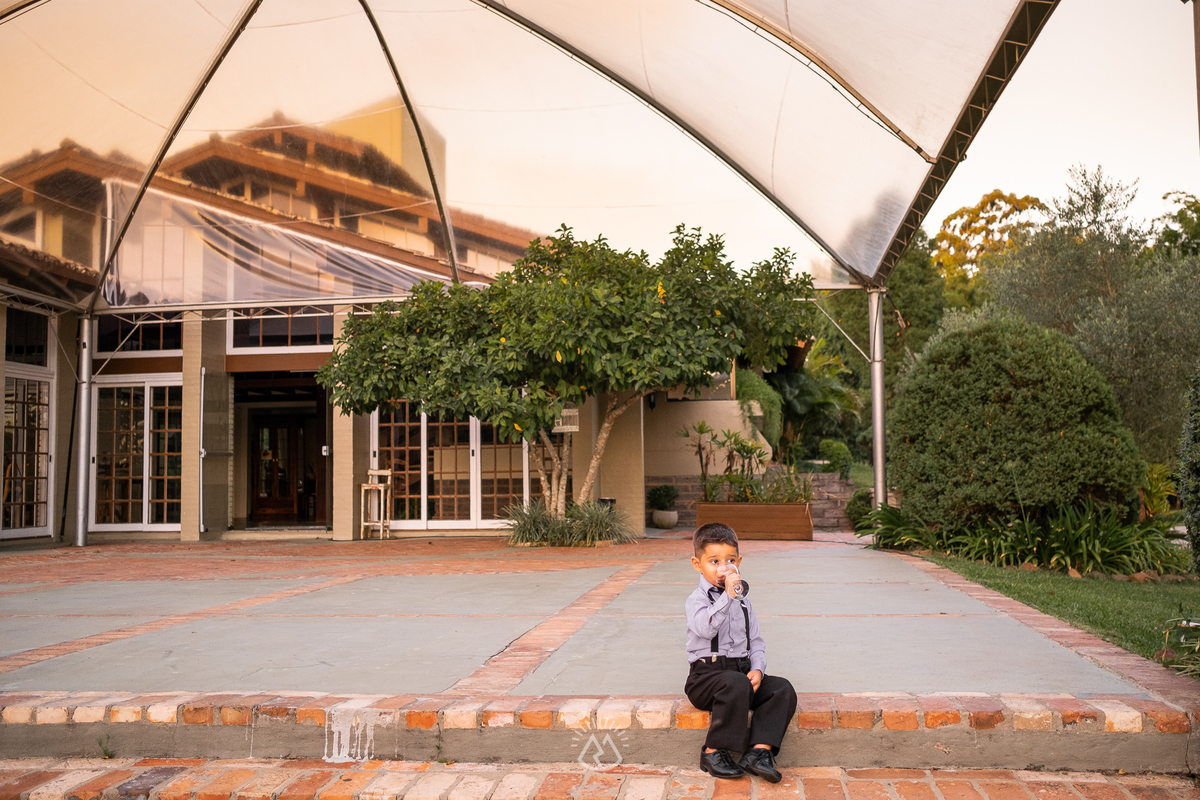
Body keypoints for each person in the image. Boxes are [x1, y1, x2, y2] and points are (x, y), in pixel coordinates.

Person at [685, 522, 797, 782]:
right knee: (734, 684)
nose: (723, 568)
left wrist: (757, 668)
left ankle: (759, 752)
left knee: (782, 688)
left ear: (739, 562)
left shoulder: (744, 602)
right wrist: (727, 597)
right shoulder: (697, 599)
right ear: (697, 564)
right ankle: (712, 752)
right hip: (706, 678)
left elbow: (755, 640)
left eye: (730, 560)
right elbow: (706, 629)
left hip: (741, 674)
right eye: (714, 561)